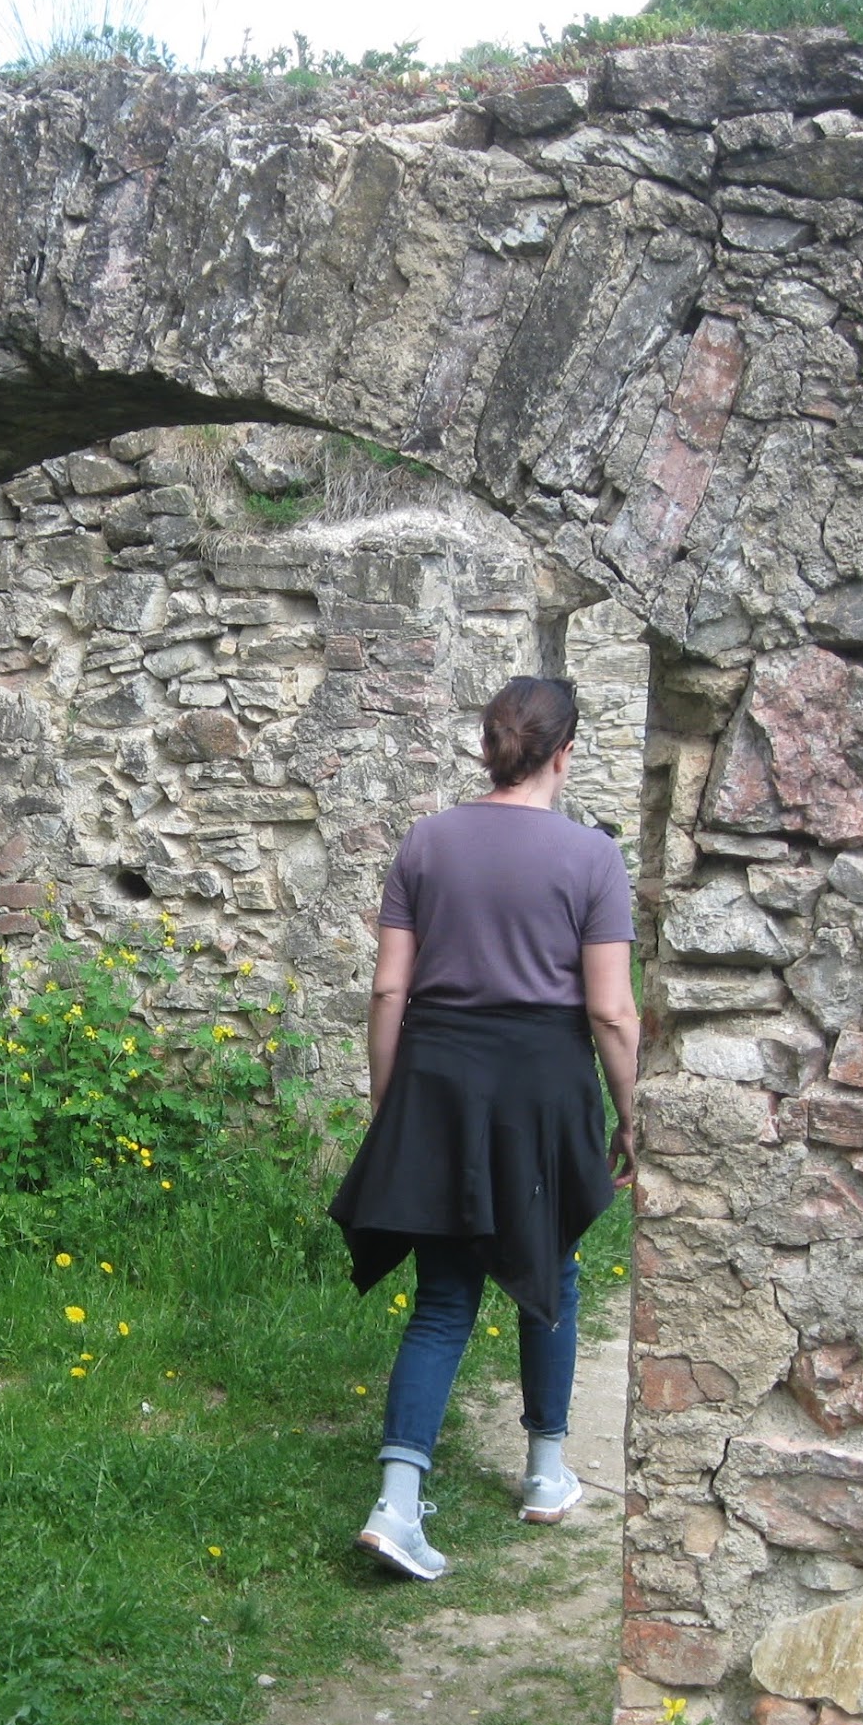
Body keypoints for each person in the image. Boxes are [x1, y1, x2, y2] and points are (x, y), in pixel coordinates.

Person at [326, 676, 640, 1581]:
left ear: (490, 747)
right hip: (541, 1083)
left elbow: (388, 988)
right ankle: (544, 1473)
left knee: (442, 1297)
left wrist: (388, 1104)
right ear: (564, 753)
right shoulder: (591, 857)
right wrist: (633, 1116)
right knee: (551, 1272)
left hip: (438, 1077)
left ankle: (395, 1504)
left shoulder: (426, 841)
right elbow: (611, 1012)